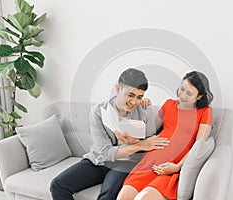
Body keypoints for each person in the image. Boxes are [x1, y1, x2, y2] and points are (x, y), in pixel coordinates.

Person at [50, 68, 170, 200]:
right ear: (118, 89)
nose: (134, 102)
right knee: (57, 185)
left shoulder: (145, 111)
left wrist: (137, 143)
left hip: (125, 164)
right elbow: (103, 152)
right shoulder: (98, 111)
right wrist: (140, 145)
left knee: (108, 196)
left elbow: (150, 144)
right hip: (99, 161)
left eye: (139, 97)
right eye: (130, 95)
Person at [116, 71, 214, 200]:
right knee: (122, 198)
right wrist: (141, 105)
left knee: (142, 198)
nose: (182, 95)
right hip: (149, 163)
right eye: (182, 88)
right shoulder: (168, 104)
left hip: (170, 168)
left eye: (189, 93)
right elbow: (148, 131)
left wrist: (177, 166)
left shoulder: (205, 112)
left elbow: (198, 146)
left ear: (199, 96)